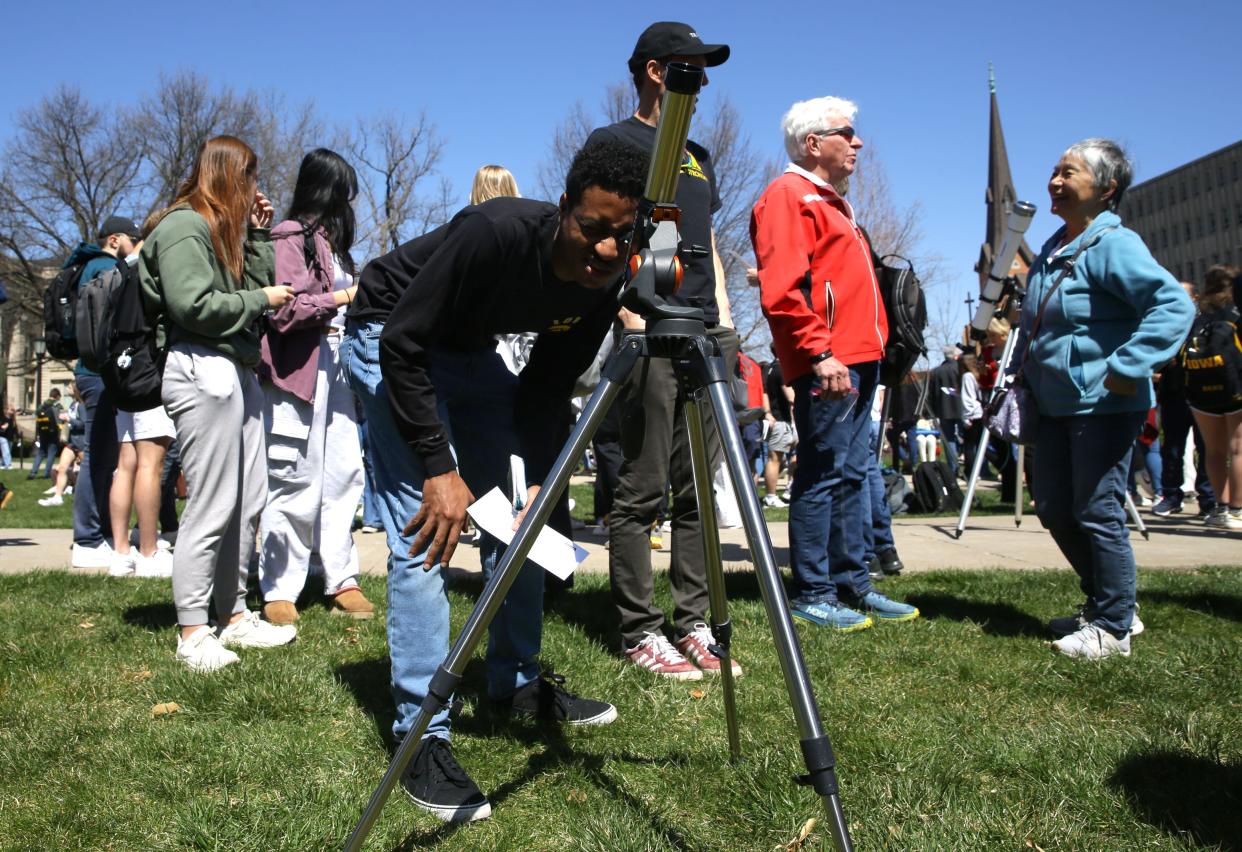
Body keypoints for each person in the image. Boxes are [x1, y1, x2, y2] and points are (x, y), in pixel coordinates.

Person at [344, 139, 647, 822]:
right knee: (428, 530)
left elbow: (544, 389)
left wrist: (538, 480)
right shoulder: (496, 233)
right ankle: (422, 735)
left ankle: (516, 683)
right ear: (564, 210)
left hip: (467, 353)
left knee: (523, 523)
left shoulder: (607, 280)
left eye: (619, 236)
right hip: (390, 333)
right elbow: (402, 344)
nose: (603, 249)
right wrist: (439, 467)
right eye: (591, 229)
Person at [588, 21, 743, 680]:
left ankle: (695, 623)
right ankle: (638, 630)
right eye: (692, 68)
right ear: (656, 70)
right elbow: (594, 234)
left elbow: (706, 241)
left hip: (705, 331)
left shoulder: (698, 153)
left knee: (697, 495)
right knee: (640, 489)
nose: (703, 81)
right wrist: (624, 310)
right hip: (648, 329)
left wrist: (727, 323)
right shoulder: (612, 144)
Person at [1019, 138, 1193, 660]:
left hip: (1103, 403)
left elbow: (1171, 308)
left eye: (1068, 172)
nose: (1054, 180)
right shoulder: (1054, 246)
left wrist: (1127, 366)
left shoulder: (1115, 245)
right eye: (1053, 170)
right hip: (1052, 403)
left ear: (1106, 188)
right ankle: (1110, 603)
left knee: (1096, 510)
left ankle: (1114, 626)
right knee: (1052, 506)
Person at [751, 95, 918, 631]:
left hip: (859, 358)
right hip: (831, 360)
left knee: (850, 473)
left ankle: (854, 583)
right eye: (848, 132)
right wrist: (819, 351)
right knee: (822, 473)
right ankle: (814, 590)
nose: (859, 142)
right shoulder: (788, 195)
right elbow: (782, 291)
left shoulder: (831, 201)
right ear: (813, 143)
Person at [139, 135, 298, 672]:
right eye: (249, 176)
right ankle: (192, 631)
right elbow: (194, 304)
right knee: (211, 503)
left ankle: (232, 615)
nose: (256, 187)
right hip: (201, 367)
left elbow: (257, 286)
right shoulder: (184, 225)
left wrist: (256, 236)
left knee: (248, 500)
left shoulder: (221, 230)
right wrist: (259, 299)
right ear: (228, 174)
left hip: (235, 367)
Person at [256, 148, 371, 623]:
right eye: (342, 193)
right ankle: (279, 586)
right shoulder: (288, 236)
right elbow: (284, 311)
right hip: (298, 372)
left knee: (345, 473)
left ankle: (340, 576)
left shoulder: (331, 244)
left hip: (338, 369)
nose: (348, 204)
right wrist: (346, 295)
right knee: (295, 476)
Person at [68, 215, 141, 570]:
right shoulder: (102, 267)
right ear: (115, 239)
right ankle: (87, 538)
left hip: (92, 372)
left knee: (103, 455)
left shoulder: (90, 266)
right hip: (99, 373)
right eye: (132, 239)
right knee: (97, 455)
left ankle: (96, 535)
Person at [108, 225, 176, 579]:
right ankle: (148, 551)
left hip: (121, 373)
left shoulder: (119, 271)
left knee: (126, 463)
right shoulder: (150, 269)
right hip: (148, 372)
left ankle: (121, 551)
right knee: (151, 462)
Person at [1152, 281, 1215, 518]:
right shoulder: (1167, 324)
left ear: (1195, 298)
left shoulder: (1206, 324)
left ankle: (1208, 500)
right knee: (1173, 448)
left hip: (1202, 393)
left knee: (1207, 447)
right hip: (1174, 393)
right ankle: (1171, 496)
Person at [1187, 264, 1242, 528]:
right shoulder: (1235, 315)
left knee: (1214, 450)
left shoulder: (1200, 317)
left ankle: (1220, 508)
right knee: (1238, 448)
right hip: (1235, 388)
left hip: (1200, 390)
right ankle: (1238, 509)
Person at [763, 354, 796, 507]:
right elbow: (791, 397)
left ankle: (778, 493)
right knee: (775, 459)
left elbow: (763, 393)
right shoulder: (781, 369)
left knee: (778, 459)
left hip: (774, 420)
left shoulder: (769, 369)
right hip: (780, 421)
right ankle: (771, 496)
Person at [929, 345, 963, 473]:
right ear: (955, 355)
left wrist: (932, 411)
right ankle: (972, 466)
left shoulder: (936, 372)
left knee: (948, 440)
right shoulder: (961, 369)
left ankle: (953, 467)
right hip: (962, 408)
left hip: (944, 409)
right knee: (969, 440)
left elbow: (931, 393)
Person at [28, 387, 64, 480]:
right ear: (57, 396)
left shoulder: (42, 405)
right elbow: (59, 420)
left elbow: (36, 414)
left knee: (41, 452)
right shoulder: (57, 405)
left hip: (43, 432)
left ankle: (33, 472)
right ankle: (46, 473)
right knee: (51, 452)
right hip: (53, 432)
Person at [0, 405, 16, 469]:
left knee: (7, 451)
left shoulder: (12, 420)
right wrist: (3, 427)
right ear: (7, 410)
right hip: (3, 437)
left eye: (12, 410)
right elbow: (1, 427)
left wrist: (17, 436)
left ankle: (3, 464)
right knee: (6, 451)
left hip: (10, 438)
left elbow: (15, 429)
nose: (11, 411)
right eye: (10, 410)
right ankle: (8, 464)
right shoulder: (3, 418)